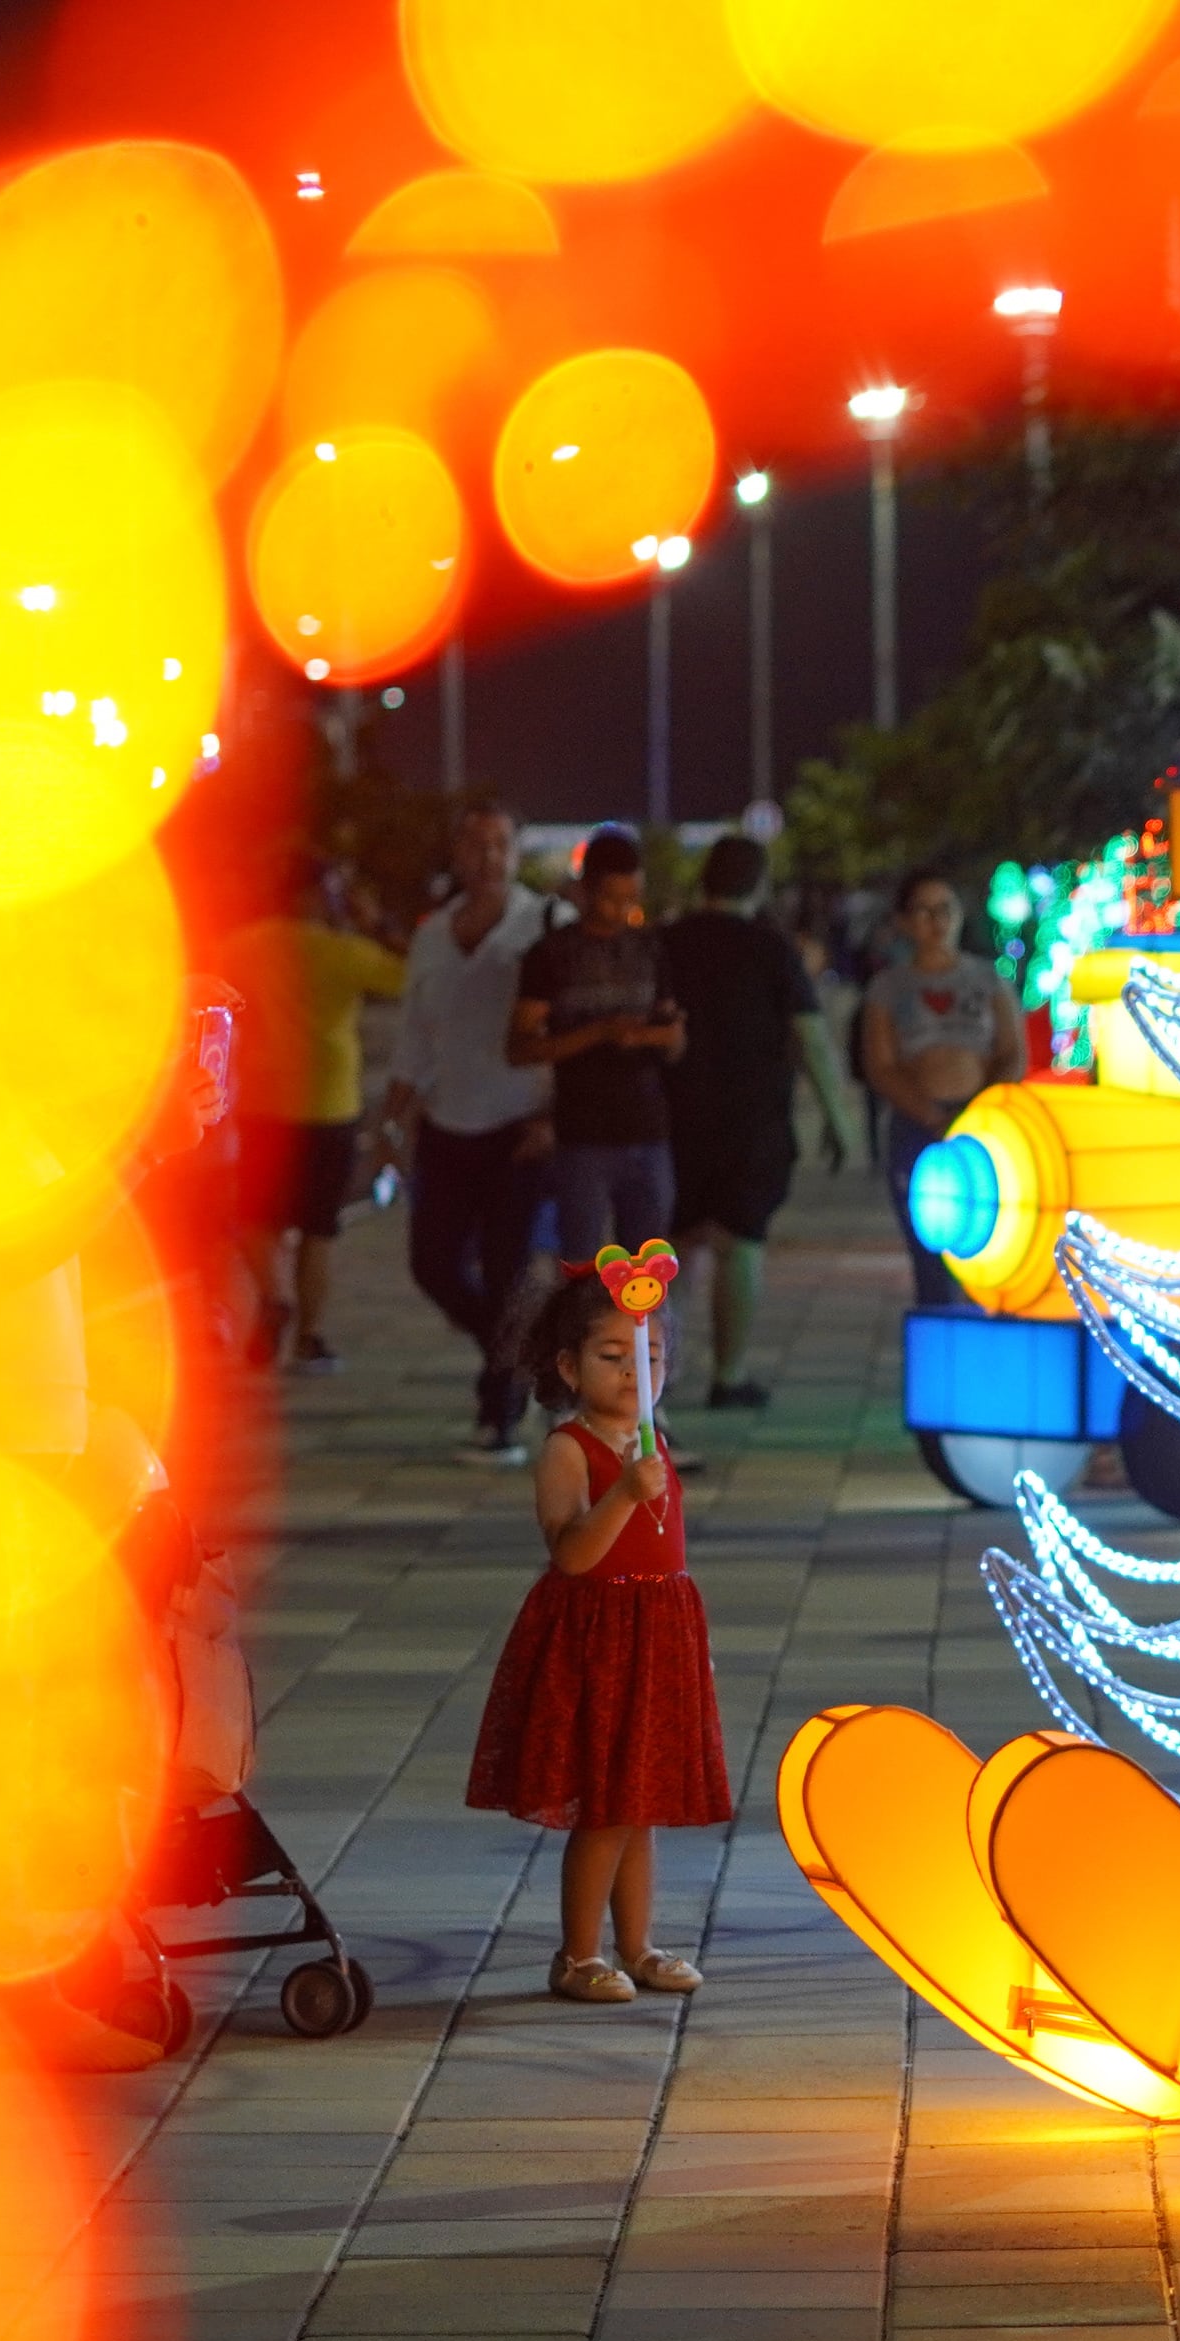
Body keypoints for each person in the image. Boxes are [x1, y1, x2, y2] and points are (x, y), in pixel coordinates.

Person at [467, 1274, 732, 2004]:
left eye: (649, 1356)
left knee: (639, 1803)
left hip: (658, 1631)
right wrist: (623, 1492)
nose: (633, 1373)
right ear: (568, 1367)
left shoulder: (652, 1440)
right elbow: (573, 1554)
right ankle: (577, 1954)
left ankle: (637, 1945)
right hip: (600, 1641)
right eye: (612, 1355)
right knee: (607, 1808)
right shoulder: (569, 1450)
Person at [383, 803, 562, 1462]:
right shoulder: (433, 934)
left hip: (520, 1127)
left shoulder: (545, 923)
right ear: (456, 854)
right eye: (476, 845)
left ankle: (501, 1415)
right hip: (447, 1124)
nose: (488, 858)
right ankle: (521, 1353)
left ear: (516, 853)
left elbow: (567, 1029)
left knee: (508, 1266)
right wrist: (392, 1120)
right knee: (432, 1264)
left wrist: (554, 1117)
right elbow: (414, 1035)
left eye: (500, 846)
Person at [664, 837, 857, 1410]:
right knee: (739, 1246)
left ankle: (656, 1379)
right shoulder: (772, 949)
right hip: (751, 1121)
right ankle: (730, 1373)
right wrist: (838, 1120)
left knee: (671, 1250)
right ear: (759, 884)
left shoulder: (667, 943)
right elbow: (812, 1039)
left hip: (673, 1114)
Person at [223, 853, 407, 1373]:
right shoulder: (344, 952)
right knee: (318, 1229)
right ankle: (309, 1337)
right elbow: (410, 975)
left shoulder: (243, 946)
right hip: (330, 1106)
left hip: (261, 1106)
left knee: (258, 1220)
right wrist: (373, 923)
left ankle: (272, 1296)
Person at [510, 829, 685, 1263]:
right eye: (612, 898)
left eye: (633, 897)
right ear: (585, 891)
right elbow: (519, 1047)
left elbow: (675, 1042)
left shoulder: (650, 949)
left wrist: (651, 1037)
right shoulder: (552, 954)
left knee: (646, 1276)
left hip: (649, 1132)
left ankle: (636, 1335)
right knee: (582, 1272)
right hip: (583, 1139)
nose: (624, 910)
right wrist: (598, 1033)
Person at [861, 869, 1020, 1307]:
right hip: (917, 1131)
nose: (936, 921)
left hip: (982, 1132)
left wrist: (979, 1114)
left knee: (989, 1244)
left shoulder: (988, 980)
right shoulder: (889, 988)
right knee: (930, 1252)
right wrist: (931, 1115)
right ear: (906, 922)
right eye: (923, 911)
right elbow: (881, 1065)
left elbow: (1012, 1052)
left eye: (945, 909)